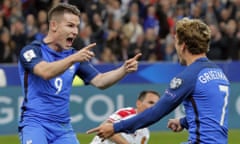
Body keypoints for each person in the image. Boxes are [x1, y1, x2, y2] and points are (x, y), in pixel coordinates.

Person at [87, 17, 230, 144]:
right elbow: (212, 115)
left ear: (183, 45)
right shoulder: (219, 73)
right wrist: (183, 121)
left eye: (176, 42)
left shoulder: (189, 76)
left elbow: (156, 112)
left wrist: (115, 127)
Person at [18, 3, 141, 144]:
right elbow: (45, 72)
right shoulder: (32, 51)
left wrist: (123, 70)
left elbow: (100, 81)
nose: (75, 31)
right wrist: (73, 59)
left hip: (62, 127)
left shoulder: (74, 56)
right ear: (54, 26)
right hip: (35, 123)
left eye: (77, 26)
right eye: (70, 26)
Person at [90, 90, 160, 144]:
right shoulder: (126, 113)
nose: (154, 107)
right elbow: (103, 127)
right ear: (138, 103)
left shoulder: (145, 134)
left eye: (156, 104)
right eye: (150, 102)